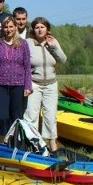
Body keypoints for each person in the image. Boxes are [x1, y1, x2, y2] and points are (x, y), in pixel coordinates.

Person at [23, 17, 67, 152]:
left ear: (47, 29)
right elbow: (23, 63)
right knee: (31, 115)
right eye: (37, 27)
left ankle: (53, 144)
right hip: (34, 83)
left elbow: (63, 59)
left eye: (42, 27)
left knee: (50, 115)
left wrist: (53, 47)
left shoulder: (52, 42)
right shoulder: (27, 43)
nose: (40, 29)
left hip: (51, 84)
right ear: (33, 30)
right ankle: (34, 144)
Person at [0, 16, 32, 137]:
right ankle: (2, 142)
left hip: (18, 85)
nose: (8, 29)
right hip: (0, 85)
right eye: (6, 27)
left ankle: (13, 142)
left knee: (16, 117)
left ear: (16, 27)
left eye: (11, 26)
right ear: (2, 28)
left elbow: (27, 66)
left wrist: (28, 85)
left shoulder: (23, 44)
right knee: (2, 116)